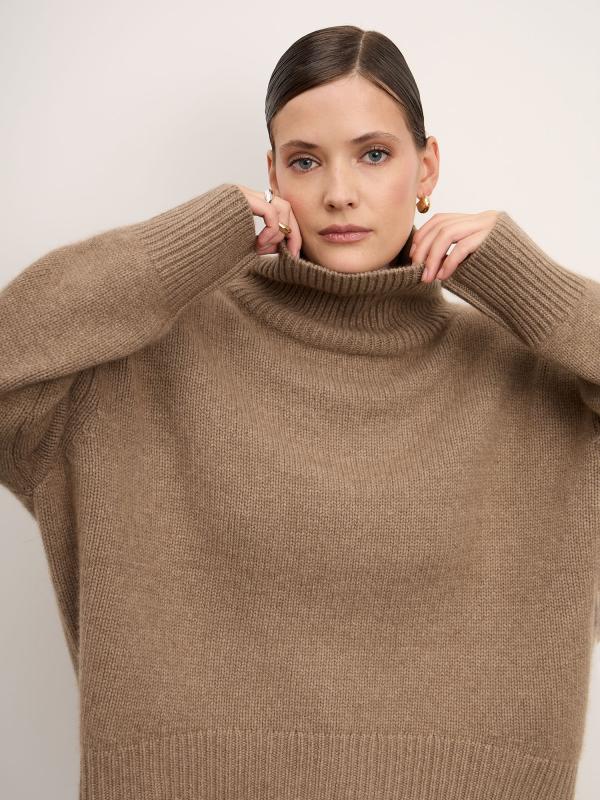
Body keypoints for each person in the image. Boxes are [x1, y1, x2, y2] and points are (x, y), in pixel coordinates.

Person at [1, 23, 598, 800]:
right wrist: (201, 239)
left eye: (373, 154)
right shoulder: (141, 366)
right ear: (273, 174)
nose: (339, 192)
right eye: (306, 161)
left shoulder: (537, 388)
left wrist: (528, 284)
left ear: (427, 167)